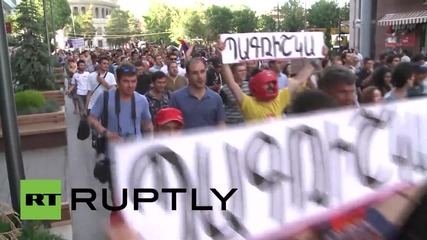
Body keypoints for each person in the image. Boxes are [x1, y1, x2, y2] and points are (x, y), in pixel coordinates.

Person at [169, 58, 226, 129]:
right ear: (187, 75)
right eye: (195, 73)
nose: (200, 76)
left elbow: (221, 125)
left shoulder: (216, 98)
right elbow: (172, 127)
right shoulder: (176, 98)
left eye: (202, 72)